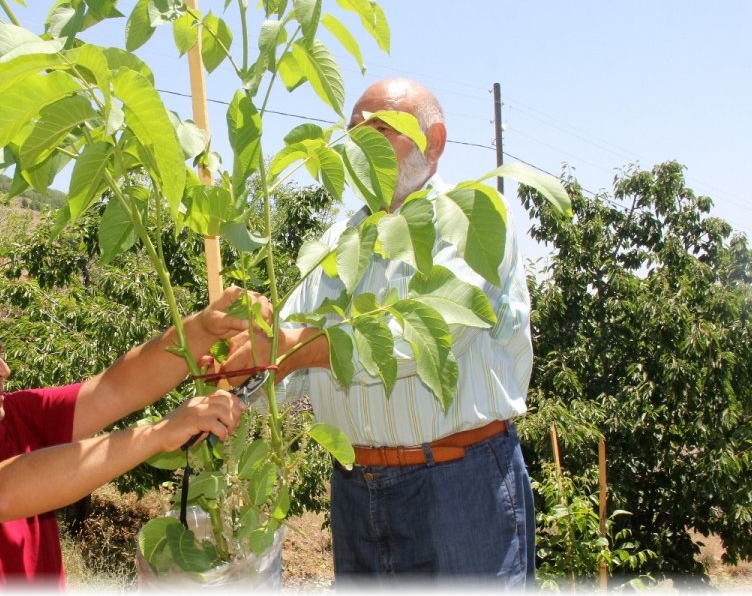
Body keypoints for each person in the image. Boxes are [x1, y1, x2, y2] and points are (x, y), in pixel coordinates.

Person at [224, 78, 536, 588]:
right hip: (356, 491)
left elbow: (422, 339)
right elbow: (291, 370)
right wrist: (239, 374)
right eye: (352, 133)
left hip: (459, 486)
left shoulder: (471, 218)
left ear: (433, 141)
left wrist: (287, 348)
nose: (359, 145)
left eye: (381, 129)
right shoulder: (333, 245)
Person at [0, 286, 264, 589]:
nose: (2, 368)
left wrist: (203, 327)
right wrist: (158, 434)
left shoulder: (14, 420)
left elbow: (116, 388)